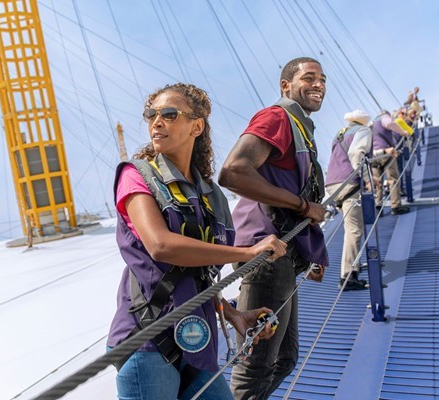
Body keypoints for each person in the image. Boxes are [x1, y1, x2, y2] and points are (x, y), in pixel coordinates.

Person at [107, 83, 287, 400]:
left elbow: (197, 273)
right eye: (151, 114)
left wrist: (232, 315)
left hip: (196, 341)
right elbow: (161, 246)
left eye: (169, 114)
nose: (156, 122)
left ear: (197, 126)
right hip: (148, 341)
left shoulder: (211, 196)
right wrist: (247, 251)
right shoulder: (136, 176)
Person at [219, 57, 328, 399]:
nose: (319, 84)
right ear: (286, 86)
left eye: (323, 79)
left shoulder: (300, 128)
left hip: (284, 254)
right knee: (257, 364)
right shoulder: (278, 117)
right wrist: (302, 206)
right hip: (266, 256)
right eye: (309, 78)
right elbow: (233, 171)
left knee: (284, 358)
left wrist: (308, 251)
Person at [324, 110, 373, 291]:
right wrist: (368, 178)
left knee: (351, 228)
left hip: (332, 184)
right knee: (354, 230)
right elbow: (356, 154)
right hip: (349, 184)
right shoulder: (363, 131)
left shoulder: (341, 133)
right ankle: (348, 276)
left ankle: (353, 267)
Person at [371, 110, 411, 215]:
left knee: (377, 182)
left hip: (374, 155)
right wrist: (402, 132)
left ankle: (378, 206)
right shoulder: (384, 118)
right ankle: (396, 206)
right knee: (393, 179)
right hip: (386, 153)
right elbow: (389, 123)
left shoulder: (372, 123)